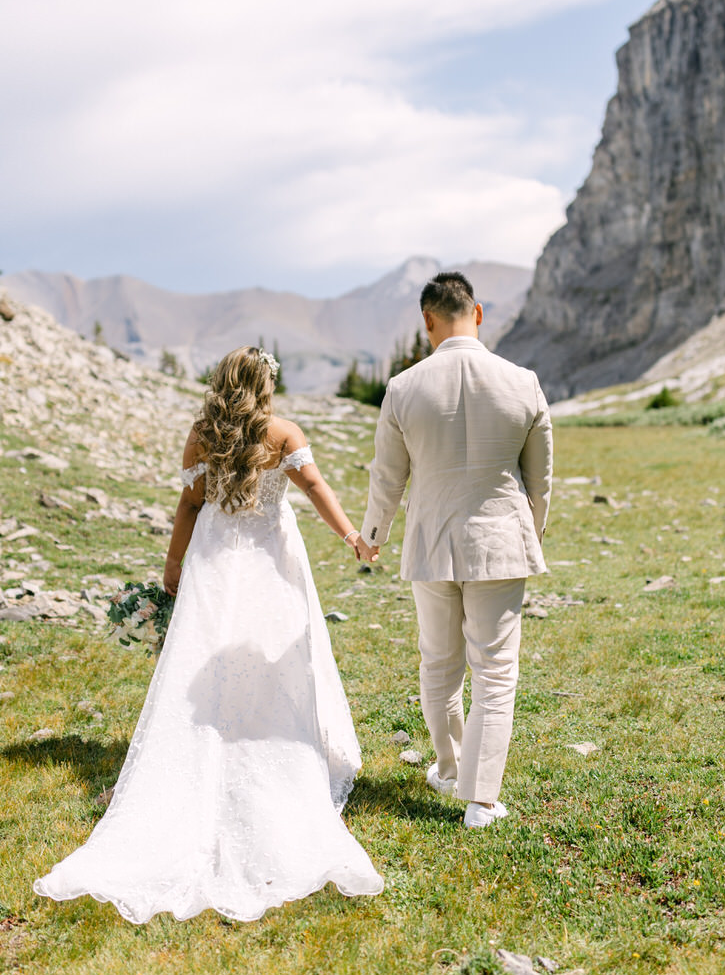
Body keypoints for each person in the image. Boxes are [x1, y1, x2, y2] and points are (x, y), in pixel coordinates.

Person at [34, 346, 384, 922]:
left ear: (222, 383)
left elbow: (189, 507)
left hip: (216, 560)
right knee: (273, 655)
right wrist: (350, 536)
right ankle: (269, 740)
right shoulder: (282, 432)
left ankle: (215, 736)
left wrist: (173, 567)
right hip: (271, 559)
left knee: (208, 657)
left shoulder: (202, 435)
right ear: (264, 385)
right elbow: (316, 486)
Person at [358, 271, 553, 829]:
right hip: (499, 542)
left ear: (427, 323)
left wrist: (373, 537)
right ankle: (482, 799)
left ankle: (449, 768)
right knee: (495, 671)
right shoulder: (523, 382)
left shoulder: (403, 387)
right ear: (479, 313)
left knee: (439, 664)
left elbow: (387, 479)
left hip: (431, 542)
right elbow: (539, 480)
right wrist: (528, 534)